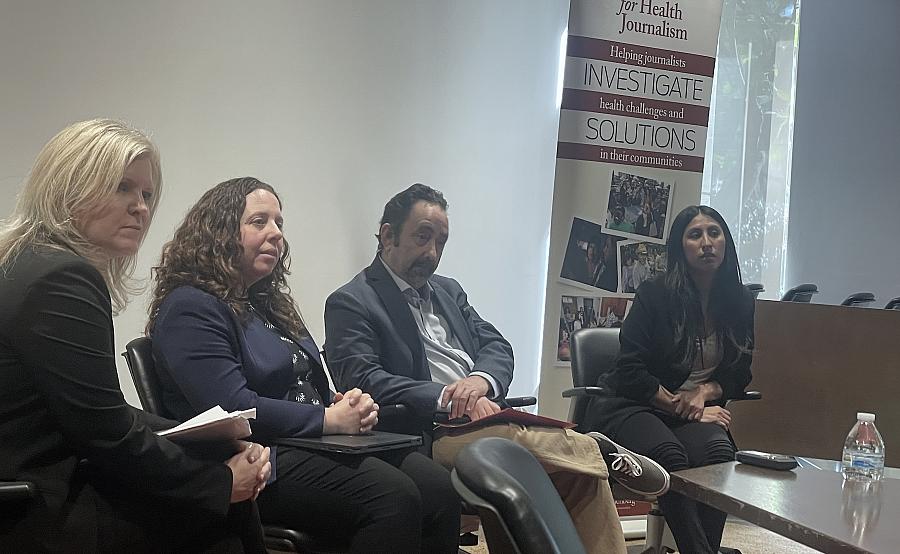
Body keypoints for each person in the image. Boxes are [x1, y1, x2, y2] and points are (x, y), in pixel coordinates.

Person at [324, 183, 670, 554]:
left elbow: (496, 345)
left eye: (441, 241)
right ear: (388, 235)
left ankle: (591, 458)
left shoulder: (448, 291)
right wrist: (450, 397)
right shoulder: (352, 301)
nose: (432, 253)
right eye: (423, 237)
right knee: (519, 444)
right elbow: (362, 378)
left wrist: (479, 381)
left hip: (484, 414)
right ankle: (594, 449)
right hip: (429, 429)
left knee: (581, 478)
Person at [147, 177, 460, 554]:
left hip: (311, 441)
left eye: (279, 223)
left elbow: (303, 381)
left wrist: (340, 402)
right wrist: (328, 419)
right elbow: (231, 406)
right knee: (394, 496)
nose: (276, 233)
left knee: (438, 488)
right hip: (257, 455)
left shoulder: (267, 303)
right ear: (219, 230)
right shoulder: (191, 307)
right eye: (259, 221)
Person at [0, 120, 270, 553]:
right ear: (68, 188)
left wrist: (207, 435)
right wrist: (220, 482)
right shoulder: (63, 277)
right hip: (34, 509)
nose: (140, 207)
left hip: (21, 481)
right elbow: (106, 434)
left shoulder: (22, 260)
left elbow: (98, 412)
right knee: (221, 511)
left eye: (146, 194)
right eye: (122, 187)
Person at [584, 205, 755, 554]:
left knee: (721, 456)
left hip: (692, 412)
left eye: (714, 233)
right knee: (670, 457)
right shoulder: (655, 294)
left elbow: (739, 374)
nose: (707, 242)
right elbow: (631, 372)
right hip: (633, 404)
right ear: (680, 248)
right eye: (695, 235)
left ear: (726, 242)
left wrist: (704, 392)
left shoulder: (740, 300)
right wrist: (685, 408)